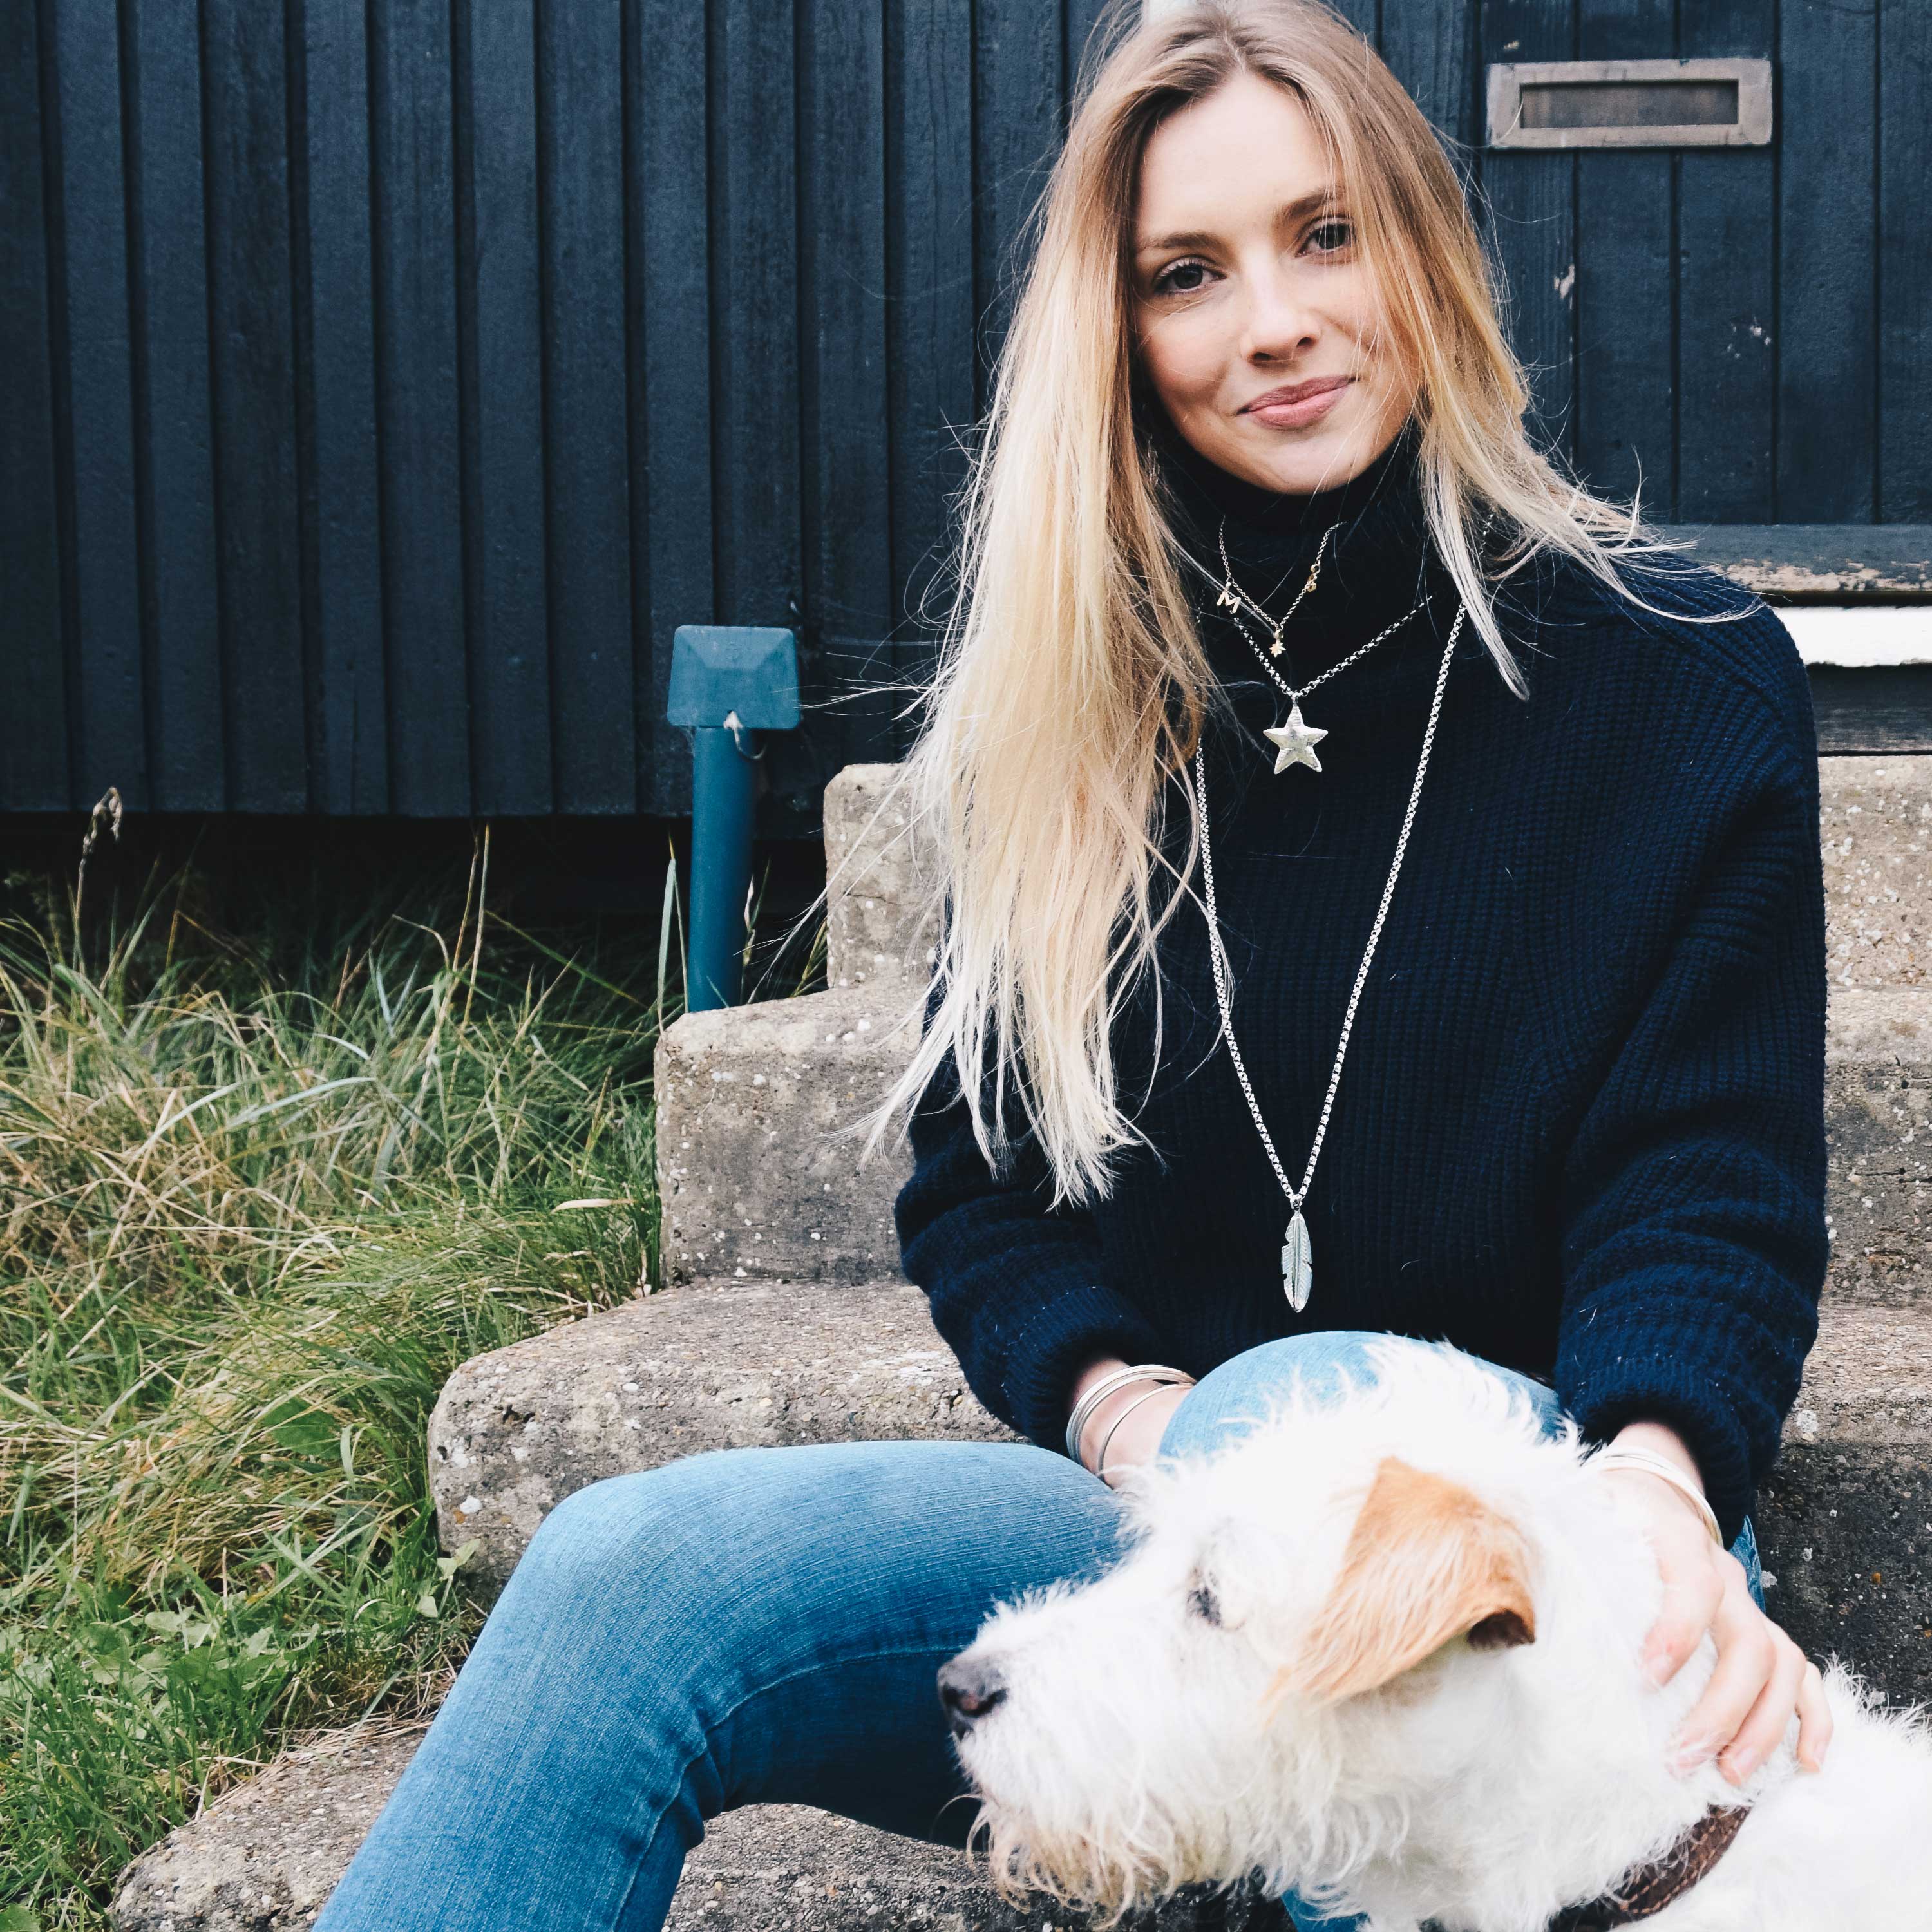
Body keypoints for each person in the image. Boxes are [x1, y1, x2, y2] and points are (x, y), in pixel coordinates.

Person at [314, 5, 1832, 1927]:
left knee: (1349, 1423)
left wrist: (1663, 1480)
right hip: (1173, 1546)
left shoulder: (1676, 676)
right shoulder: (1073, 703)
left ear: (1428, 252)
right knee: (627, 1572)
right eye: (1187, 274)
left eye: (1327, 234)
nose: (1271, 319)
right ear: (1118, 335)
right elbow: (982, 1191)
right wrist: (1148, 1428)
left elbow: (1716, 1180)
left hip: (1550, 1549)